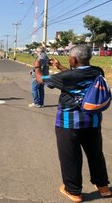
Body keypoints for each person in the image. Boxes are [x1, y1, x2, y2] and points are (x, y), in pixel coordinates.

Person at [34, 45, 111, 202]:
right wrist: (60, 66)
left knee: (70, 156)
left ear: (74, 59)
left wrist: (37, 67)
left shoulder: (66, 77)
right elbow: (76, 76)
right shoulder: (98, 71)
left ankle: (74, 191)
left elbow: (41, 80)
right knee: (95, 153)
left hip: (69, 123)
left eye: (69, 56)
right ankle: (103, 187)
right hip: (93, 121)